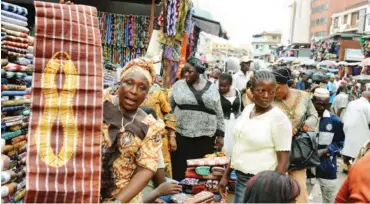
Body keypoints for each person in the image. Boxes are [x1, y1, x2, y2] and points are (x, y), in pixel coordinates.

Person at [219, 71, 292, 203]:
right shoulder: (248, 110)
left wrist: (272, 191)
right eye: (261, 91)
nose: (266, 96)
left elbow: (283, 161)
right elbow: (239, 146)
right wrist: (226, 175)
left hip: (263, 183)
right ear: (252, 91)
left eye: (271, 92)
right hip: (241, 178)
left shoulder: (279, 119)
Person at [101, 58, 164, 203]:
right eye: (128, 83)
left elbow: (145, 169)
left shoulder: (150, 127)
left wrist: (116, 202)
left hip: (124, 198)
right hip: (85, 192)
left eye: (142, 87)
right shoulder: (101, 103)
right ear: (120, 83)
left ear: (147, 93)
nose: (134, 91)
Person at [170, 57, 225, 181]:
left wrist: (220, 135)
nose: (186, 74)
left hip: (205, 137)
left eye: (190, 72)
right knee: (180, 169)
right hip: (182, 136)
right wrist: (170, 134)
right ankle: (179, 195)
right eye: (185, 71)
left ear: (199, 72)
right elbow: (168, 109)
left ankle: (198, 196)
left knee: (202, 170)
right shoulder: (178, 85)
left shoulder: (212, 88)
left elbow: (219, 113)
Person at [272, 68, 319, 203]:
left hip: (298, 151)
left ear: (285, 84)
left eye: (277, 88)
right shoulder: (270, 101)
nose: (274, 93)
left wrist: (309, 123)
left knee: (299, 188)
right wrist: (284, 128)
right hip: (276, 151)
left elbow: (314, 114)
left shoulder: (304, 96)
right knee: (277, 187)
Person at [308, 88, 345, 203]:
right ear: (312, 101)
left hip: (327, 166)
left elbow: (339, 142)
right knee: (301, 198)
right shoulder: (304, 119)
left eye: (325, 104)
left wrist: (325, 151)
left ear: (328, 103)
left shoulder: (335, 121)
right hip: (306, 167)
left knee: (329, 200)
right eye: (318, 104)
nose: (321, 107)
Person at [140, 78, 176, 178]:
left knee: (163, 165)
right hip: (138, 136)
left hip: (159, 135)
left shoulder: (158, 93)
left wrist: (172, 137)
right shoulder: (130, 93)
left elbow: (168, 114)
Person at [341, 91, 370, 171]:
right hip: (360, 129)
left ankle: (346, 166)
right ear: (368, 98)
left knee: (348, 147)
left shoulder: (352, 103)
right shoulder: (367, 105)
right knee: (359, 149)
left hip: (348, 127)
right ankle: (355, 168)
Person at [218, 73, 244, 157]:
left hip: (237, 123)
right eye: (220, 85)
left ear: (230, 85)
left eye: (225, 86)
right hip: (224, 124)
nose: (222, 88)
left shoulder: (238, 93)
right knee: (224, 148)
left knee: (236, 146)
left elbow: (242, 109)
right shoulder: (216, 94)